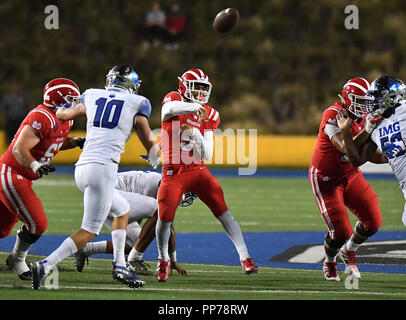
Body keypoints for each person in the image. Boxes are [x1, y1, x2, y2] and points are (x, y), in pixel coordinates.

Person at [30, 65, 159, 290]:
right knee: (89, 230)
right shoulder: (138, 102)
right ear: (130, 85)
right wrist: (159, 157)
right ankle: (45, 265)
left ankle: (120, 266)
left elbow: (62, 113)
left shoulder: (90, 94)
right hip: (103, 169)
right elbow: (147, 140)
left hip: (82, 168)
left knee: (122, 210)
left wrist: (63, 107)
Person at [155, 68, 258, 282]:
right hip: (173, 171)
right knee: (165, 219)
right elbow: (167, 111)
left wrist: (194, 135)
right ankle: (163, 259)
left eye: (204, 88)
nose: (201, 92)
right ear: (184, 86)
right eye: (197, 87)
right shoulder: (174, 99)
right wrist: (195, 107)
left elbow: (208, 153)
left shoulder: (210, 114)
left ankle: (245, 257)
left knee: (224, 212)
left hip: (197, 169)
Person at [0, 78, 84, 281]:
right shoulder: (42, 116)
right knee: (37, 223)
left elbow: (55, 141)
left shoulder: (64, 118)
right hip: (12, 173)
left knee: (2, 229)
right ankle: (18, 259)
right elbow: (20, 148)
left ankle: (15, 259)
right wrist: (35, 165)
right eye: (71, 100)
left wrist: (77, 142)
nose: (74, 103)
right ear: (58, 100)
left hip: (22, 176)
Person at [309, 77, 386, 282]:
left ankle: (349, 252)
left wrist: (393, 154)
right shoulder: (333, 114)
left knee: (374, 221)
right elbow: (345, 148)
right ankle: (330, 260)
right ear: (347, 99)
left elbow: (371, 155)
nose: (365, 106)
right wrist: (367, 129)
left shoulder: (367, 117)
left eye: (366, 101)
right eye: (359, 101)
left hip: (350, 175)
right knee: (341, 231)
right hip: (326, 179)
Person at [74, 170, 188, 276]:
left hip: (103, 198)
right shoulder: (154, 184)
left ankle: (85, 249)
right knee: (156, 216)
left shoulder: (161, 184)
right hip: (112, 194)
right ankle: (134, 261)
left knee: (136, 242)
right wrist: (171, 260)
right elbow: (162, 221)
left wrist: (173, 260)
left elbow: (166, 225)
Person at [337, 76, 406, 227]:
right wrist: (346, 131)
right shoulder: (375, 123)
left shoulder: (404, 110)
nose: (372, 101)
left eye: (377, 96)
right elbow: (355, 160)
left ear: (391, 97)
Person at [0, 78, 32, 144]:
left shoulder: (24, 96)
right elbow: (3, 110)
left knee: (20, 138)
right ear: (11, 86)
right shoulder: (7, 97)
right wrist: (3, 121)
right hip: (10, 121)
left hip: (21, 121)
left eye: (16, 85)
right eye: (13, 85)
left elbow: (30, 108)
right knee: (10, 139)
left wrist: (29, 120)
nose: (15, 87)